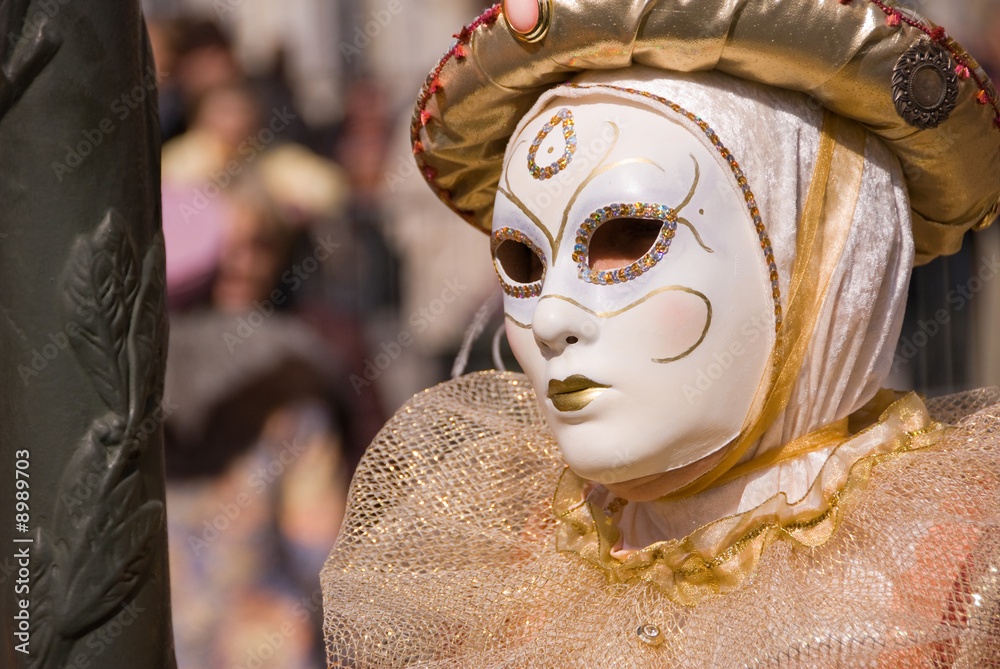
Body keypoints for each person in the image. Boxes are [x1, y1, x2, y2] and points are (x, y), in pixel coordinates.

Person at [322, 0, 1000, 666]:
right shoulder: (512, 564)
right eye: (522, 259)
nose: (552, 317)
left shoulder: (952, 562)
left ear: (818, 249)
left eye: (628, 234)